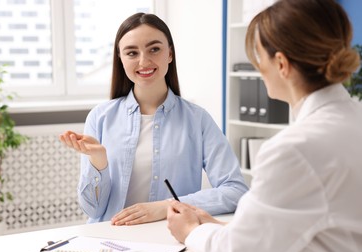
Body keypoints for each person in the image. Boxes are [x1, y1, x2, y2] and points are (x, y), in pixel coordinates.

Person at [166, 0, 362, 252]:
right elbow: (315, 227)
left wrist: (189, 231)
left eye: (259, 57)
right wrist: (220, 228)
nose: (258, 68)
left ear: (281, 63)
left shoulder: (294, 149)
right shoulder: (353, 118)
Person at [59, 13, 248, 226]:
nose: (144, 61)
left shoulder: (198, 120)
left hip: (171, 237)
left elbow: (236, 191)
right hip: (111, 239)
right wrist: (99, 162)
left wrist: (166, 206)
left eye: (154, 49)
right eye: (132, 52)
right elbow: (93, 210)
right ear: (120, 59)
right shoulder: (99, 117)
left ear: (170, 54)